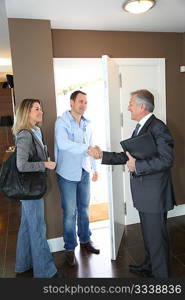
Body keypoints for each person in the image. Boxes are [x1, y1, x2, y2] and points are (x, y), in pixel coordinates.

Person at [88, 89, 176, 278]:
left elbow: (167, 159)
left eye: (131, 104)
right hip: (145, 194)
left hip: (154, 195)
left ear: (142, 106)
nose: (128, 108)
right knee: (148, 234)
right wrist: (102, 155)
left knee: (157, 239)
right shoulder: (141, 127)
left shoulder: (158, 127)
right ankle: (149, 266)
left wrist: (138, 166)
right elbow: (127, 157)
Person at [12, 98, 62, 278]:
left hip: (33, 188)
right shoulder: (25, 134)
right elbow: (21, 165)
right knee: (38, 229)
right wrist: (44, 165)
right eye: (36, 109)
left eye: (40, 108)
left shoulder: (37, 131)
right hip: (30, 190)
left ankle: (23, 264)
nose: (41, 111)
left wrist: (43, 161)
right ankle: (46, 273)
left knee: (27, 226)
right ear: (27, 112)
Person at [55, 90, 100, 267]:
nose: (83, 105)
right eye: (80, 101)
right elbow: (63, 144)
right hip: (67, 173)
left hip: (84, 171)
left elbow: (91, 145)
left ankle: (85, 240)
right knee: (70, 213)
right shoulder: (62, 122)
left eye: (86, 102)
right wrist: (87, 148)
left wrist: (94, 168)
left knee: (84, 209)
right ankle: (69, 249)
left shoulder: (87, 123)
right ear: (72, 102)